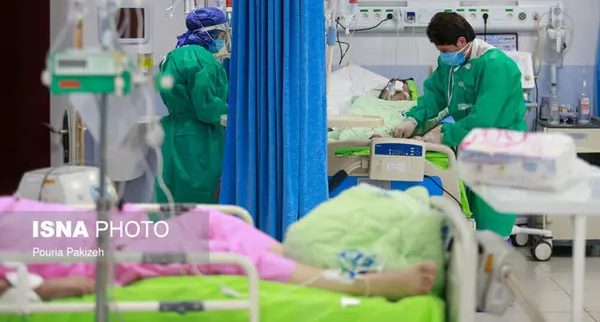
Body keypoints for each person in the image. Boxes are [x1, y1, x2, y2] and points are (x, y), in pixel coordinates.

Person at [0, 196, 437, 302]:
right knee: (236, 257)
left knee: (224, 227)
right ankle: (364, 284)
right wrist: (51, 287)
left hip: (118, 225)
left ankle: (335, 265)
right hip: (115, 252)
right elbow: (40, 286)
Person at [394, 12, 526, 239]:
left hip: (499, 147)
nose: (443, 56)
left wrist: (443, 134)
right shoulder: (450, 63)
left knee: (491, 220)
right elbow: (435, 96)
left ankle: (493, 254)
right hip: (469, 143)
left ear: (462, 41)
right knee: (469, 216)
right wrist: (413, 120)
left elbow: (484, 118)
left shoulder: (497, 66)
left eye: (445, 51)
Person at [155, 7, 230, 205]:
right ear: (209, 33)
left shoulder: (173, 55)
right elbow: (205, 106)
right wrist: (235, 112)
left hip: (173, 134)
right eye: (221, 35)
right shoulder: (201, 58)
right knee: (199, 195)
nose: (222, 40)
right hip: (197, 138)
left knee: (171, 191)